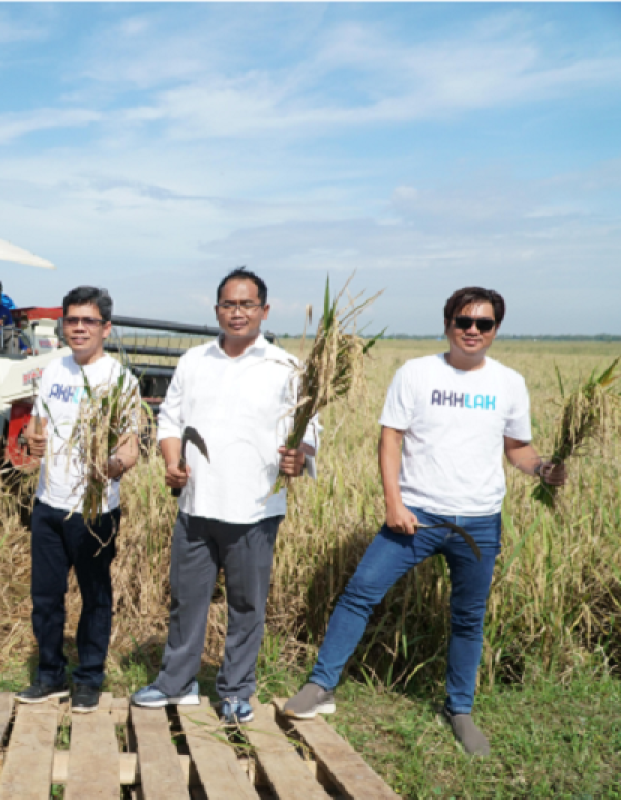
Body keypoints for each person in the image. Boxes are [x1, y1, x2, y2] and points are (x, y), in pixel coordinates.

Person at [282, 287, 567, 757]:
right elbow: (390, 440)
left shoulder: (509, 383)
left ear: (495, 329)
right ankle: (321, 686)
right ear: (448, 324)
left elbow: (517, 447)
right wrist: (394, 504)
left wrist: (542, 469)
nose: (473, 331)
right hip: (416, 515)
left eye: (484, 324)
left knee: (468, 617)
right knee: (359, 594)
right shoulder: (415, 373)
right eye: (464, 321)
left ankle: (460, 710)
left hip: (478, 522)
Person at [130, 268, 318, 724]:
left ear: (264, 311)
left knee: (247, 603)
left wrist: (300, 458)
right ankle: (176, 683)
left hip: (255, 508)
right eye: (229, 305)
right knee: (187, 598)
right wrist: (172, 462)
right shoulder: (195, 361)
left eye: (247, 304)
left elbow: (308, 430)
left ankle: (236, 691)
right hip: (197, 504)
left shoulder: (286, 367)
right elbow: (170, 421)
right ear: (217, 310)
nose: (238, 313)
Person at [15, 286, 140, 713]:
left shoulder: (120, 380)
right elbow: (38, 425)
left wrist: (110, 468)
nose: (79, 328)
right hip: (49, 504)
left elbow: (130, 448)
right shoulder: (53, 372)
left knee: (94, 594)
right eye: (72, 320)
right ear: (63, 325)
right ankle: (49, 675)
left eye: (89, 321)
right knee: (46, 597)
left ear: (105, 327)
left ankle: (88, 677)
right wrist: (32, 443)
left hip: (93, 510)